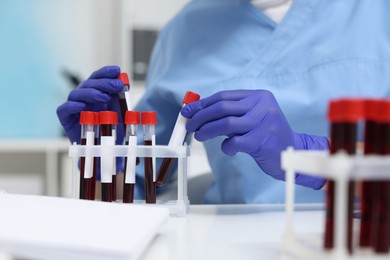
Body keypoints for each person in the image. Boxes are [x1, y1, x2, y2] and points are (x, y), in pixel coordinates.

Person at [57, 0, 390, 204]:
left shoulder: (376, 11)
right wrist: (102, 160)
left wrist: (308, 154)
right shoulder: (185, 30)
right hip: (232, 244)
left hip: (362, 238)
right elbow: (142, 186)